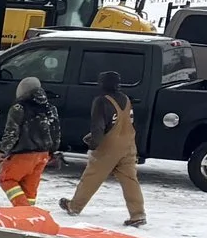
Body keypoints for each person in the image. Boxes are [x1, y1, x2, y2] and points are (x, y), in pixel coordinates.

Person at [60, 69, 147, 226]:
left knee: (91, 177)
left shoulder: (101, 101)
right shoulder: (126, 99)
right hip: (128, 145)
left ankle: (74, 206)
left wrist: (93, 144)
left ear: (102, 84)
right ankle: (138, 214)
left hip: (109, 147)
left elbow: (98, 127)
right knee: (130, 180)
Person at [0, 74, 59, 206]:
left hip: (23, 153)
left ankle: (23, 210)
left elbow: (11, 132)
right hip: (43, 155)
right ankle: (30, 215)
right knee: (29, 189)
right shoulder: (50, 108)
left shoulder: (19, 108)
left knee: (6, 179)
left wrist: (3, 149)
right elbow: (55, 131)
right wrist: (52, 151)